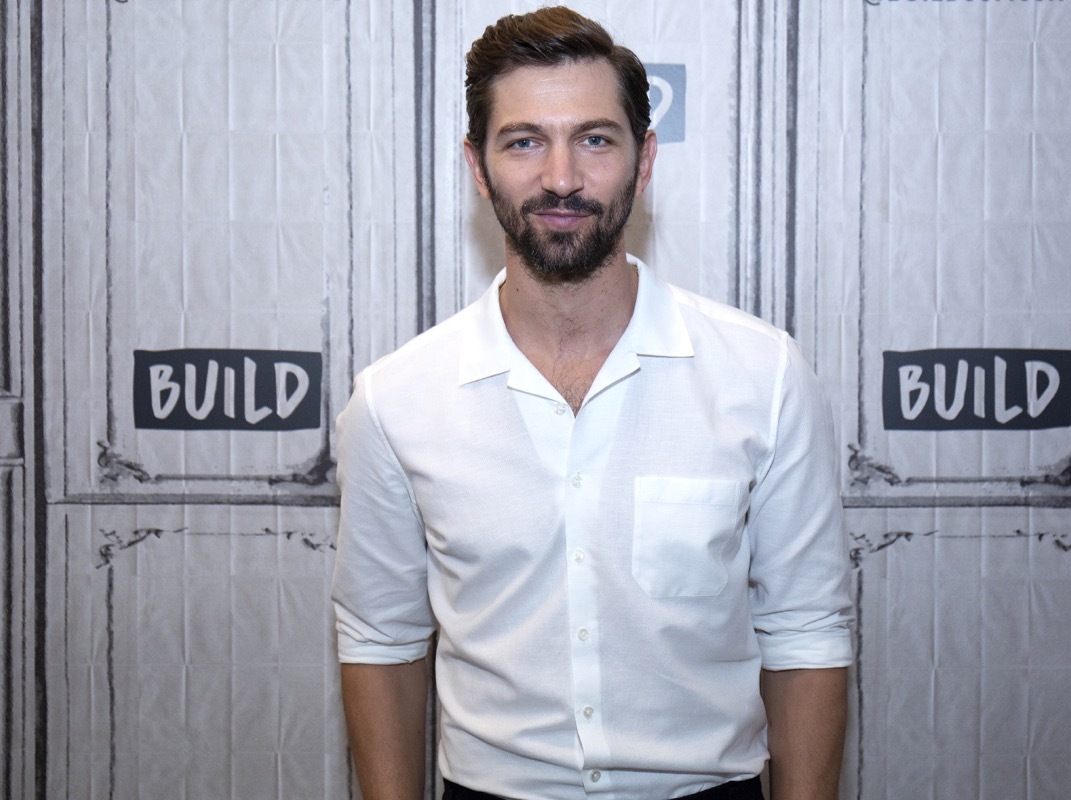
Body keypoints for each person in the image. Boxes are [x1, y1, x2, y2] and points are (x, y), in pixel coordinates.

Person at [331, 7, 854, 800]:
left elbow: (806, 632)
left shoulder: (764, 375)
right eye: (524, 142)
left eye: (595, 140)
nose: (562, 178)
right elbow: (380, 640)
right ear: (478, 167)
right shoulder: (395, 399)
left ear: (645, 161)